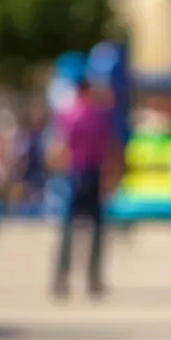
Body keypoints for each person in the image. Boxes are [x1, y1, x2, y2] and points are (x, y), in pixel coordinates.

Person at [49, 79, 121, 301]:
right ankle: (94, 280)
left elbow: (59, 147)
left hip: (73, 174)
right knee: (97, 230)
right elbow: (110, 148)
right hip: (93, 173)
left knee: (68, 229)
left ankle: (61, 279)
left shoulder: (68, 114)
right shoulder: (98, 115)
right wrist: (111, 177)